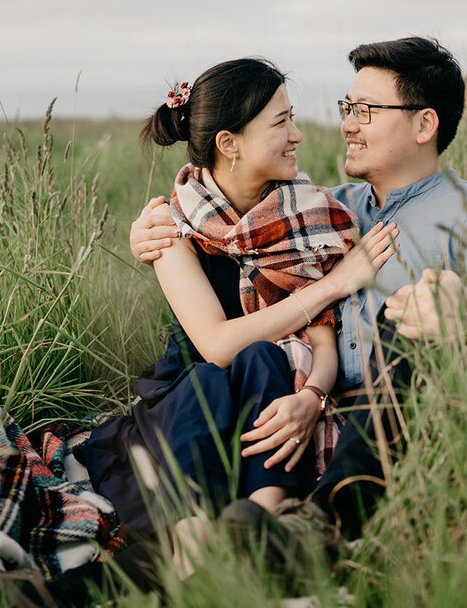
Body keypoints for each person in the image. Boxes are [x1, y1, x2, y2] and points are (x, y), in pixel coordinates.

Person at [129, 37, 467, 541]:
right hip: (298, 414)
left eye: (365, 111)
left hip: (403, 419)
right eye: (348, 108)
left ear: (424, 124)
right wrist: (148, 230)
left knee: (406, 313)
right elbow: (225, 221)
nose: (346, 124)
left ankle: (313, 528)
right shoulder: (320, 210)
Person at [74, 58, 398, 539]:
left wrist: (312, 396)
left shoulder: (309, 218)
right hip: (189, 401)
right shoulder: (173, 226)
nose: (298, 135)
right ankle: (195, 542)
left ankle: (260, 527)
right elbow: (218, 345)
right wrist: (334, 284)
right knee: (215, 375)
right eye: (281, 122)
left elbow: (322, 345)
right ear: (230, 144)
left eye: (293, 118)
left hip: (274, 396)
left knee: (265, 360)